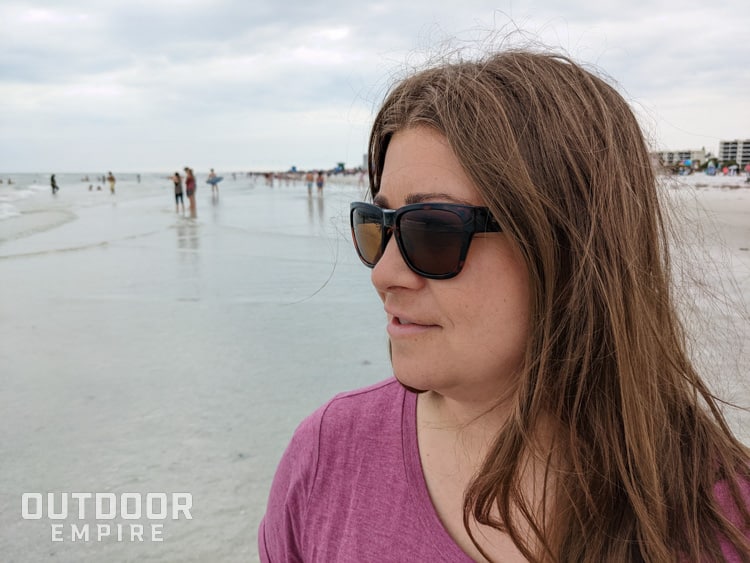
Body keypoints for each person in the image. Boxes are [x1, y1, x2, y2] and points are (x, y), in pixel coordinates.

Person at [258, 50, 750, 562]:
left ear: (572, 249)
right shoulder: (328, 456)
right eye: (377, 226)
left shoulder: (723, 523)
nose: (384, 274)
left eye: (432, 230)